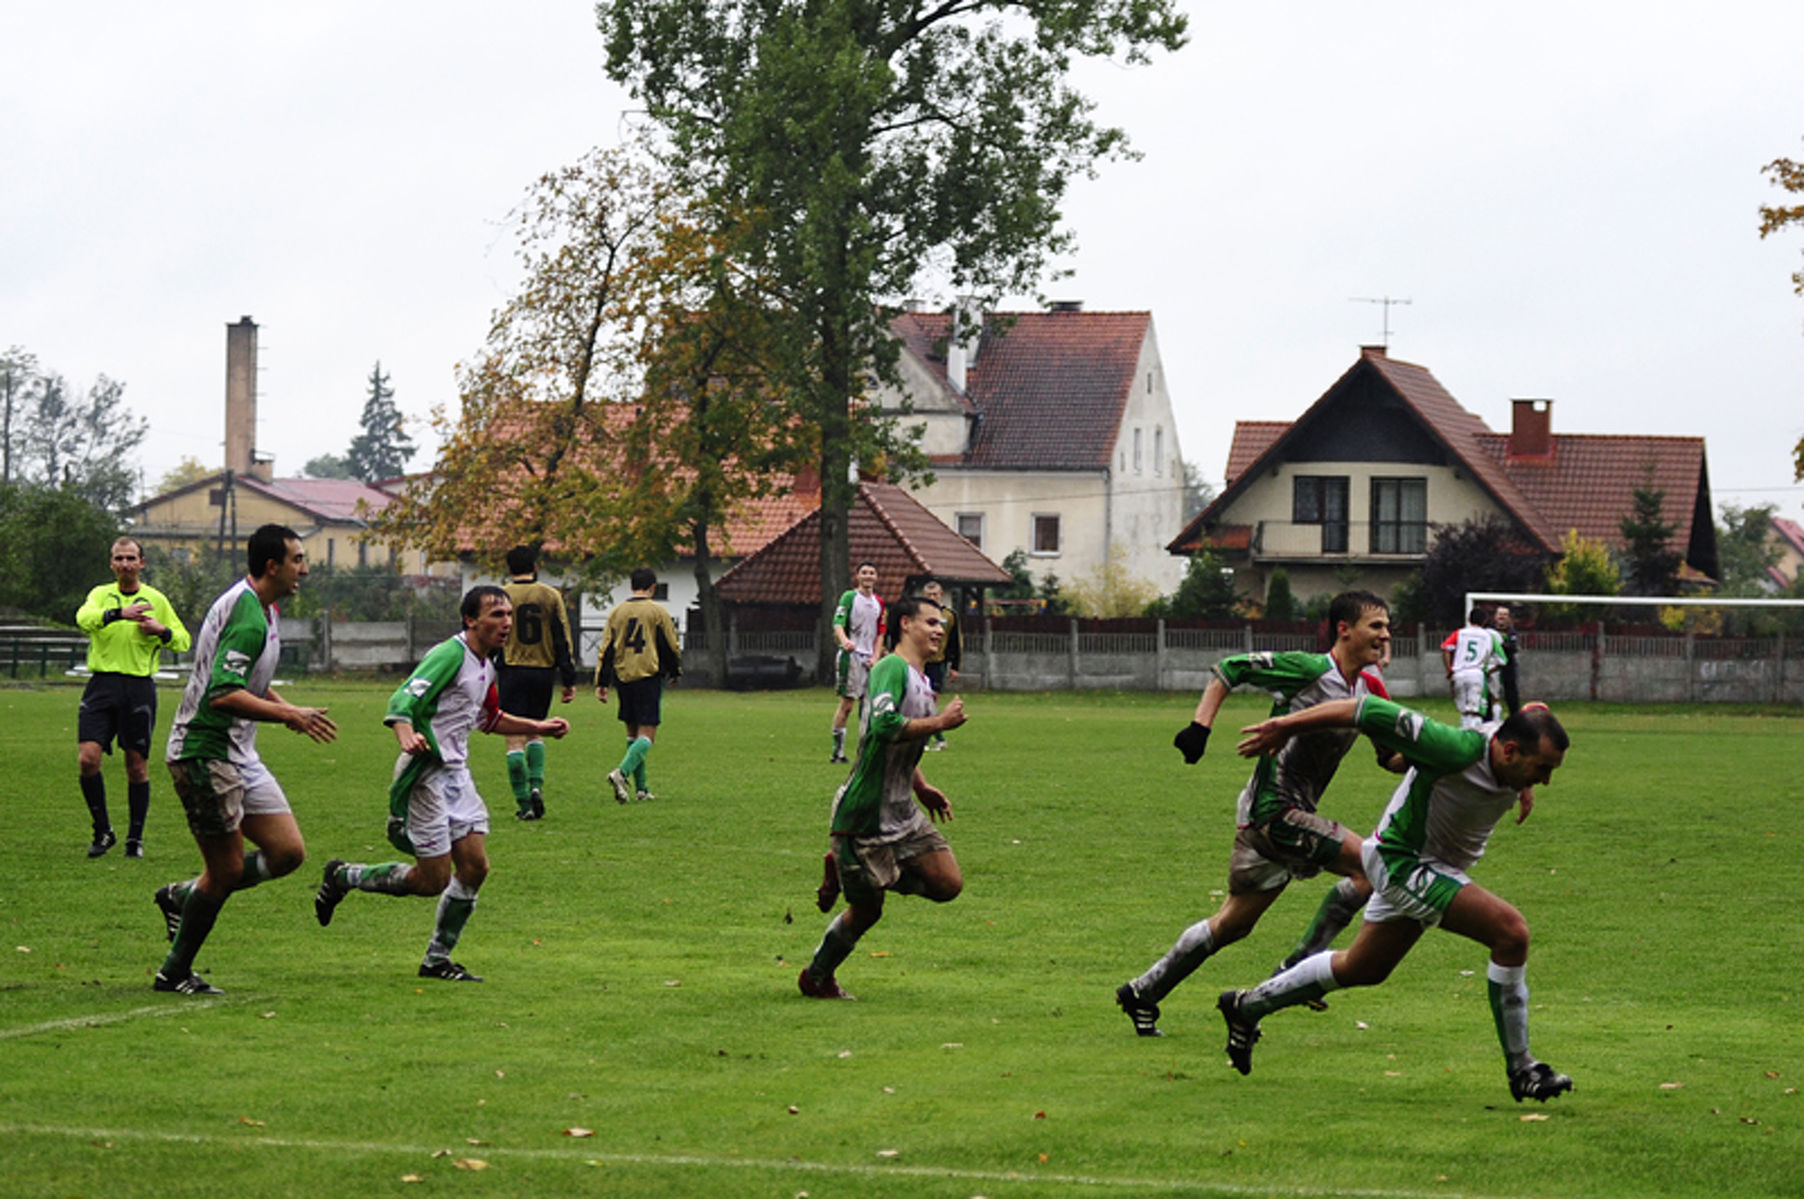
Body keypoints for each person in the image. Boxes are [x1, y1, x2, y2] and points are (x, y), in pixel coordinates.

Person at [1217, 698, 1574, 1104]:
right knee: (1510, 933)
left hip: (1428, 864)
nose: (1545, 781)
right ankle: (1522, 1068)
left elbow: (1533, 709)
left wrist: (1523, 783)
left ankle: (1246, 1007)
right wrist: (1285, 726)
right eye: (1541, 770)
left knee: (1363, 967)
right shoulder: (1452, 747)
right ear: (1509, 751)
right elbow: (1364, 710)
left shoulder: (1510, 750)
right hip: (1403, 862)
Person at [1115, 591, 1401, 1038]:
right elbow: (1231, 669)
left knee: (1232, 924)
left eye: (1387, 626)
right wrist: (1199, 728)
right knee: (1371, 866)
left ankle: (1143, 992)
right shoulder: (1309, 671)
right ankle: (1300, 970)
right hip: (1275, 812)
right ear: (1344, 629)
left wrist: (1442, 759)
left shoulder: (1371, 690)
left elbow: (1390, 758)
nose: (1385, 635)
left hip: (1275, 815)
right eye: (1376, 626)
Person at [313, 586, 570, 982]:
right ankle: (345, 876)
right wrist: (405, 734)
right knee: (430, 881)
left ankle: (437, 959)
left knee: (475, 868)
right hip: (424, 778)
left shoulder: (486, 665)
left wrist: (538, 727)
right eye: (496, 615)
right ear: (471, 620)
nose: (506, 623)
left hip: (456, 775)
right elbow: (403, 699)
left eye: (508, 615)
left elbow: (489, 718)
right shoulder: (450, 655)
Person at [149, 524, 338, 995]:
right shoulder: (250, 616)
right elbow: (223, 695)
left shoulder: (264, 609)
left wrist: (284, 711)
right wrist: (288, 712)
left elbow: (247, 681)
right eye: (297, 559)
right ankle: (174, 972)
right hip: (204, 752)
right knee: (228, 869)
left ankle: (183, 896)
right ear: (272, 565)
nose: (305, 568)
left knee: (288, 853)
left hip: (239, 752)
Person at [799, 594, 968, 1000]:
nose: (939, 630)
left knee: (948, 884)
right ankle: (816, 976)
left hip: (901, 809)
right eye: (931, 622)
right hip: (863, 814)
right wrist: (940, 722)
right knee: (868, 911)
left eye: (941, 625)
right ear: (906, 624)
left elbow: (898, 746)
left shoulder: (923, 681)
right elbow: (883, 725)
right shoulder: (890, 668)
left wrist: (921, 784)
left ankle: (857, 873)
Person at [74, 536, 191, 858]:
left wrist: (161, 631)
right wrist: (118, 614)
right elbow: (83, 619)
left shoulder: (156, 599)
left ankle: (134, 840)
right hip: (101, 686)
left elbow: (183, 640)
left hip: (138, 688)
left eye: (130, 558)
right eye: (119, 558)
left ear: (142, 563)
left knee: (136, 766)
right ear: (111, 563)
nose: (125, 563)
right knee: (87, 759)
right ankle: (103, 831)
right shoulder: (100, 595)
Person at [498, 545, 577, 820]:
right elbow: (562, 638)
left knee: (513, 738)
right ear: (535, 566)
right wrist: (568, 678)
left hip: (511, 670)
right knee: (536, 731)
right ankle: (535, 787)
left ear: (509, 569)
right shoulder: (550, 595)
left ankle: (523, 804)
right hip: (542, 671)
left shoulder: (500, 596)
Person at [596, 568, 682, 804]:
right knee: (648, 734)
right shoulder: (657, 611)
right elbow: (670, 644)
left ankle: (642, 789)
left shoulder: (617, 612)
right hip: (648, 675)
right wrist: (674, 670)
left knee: (632, 733)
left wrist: (602, 682)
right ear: (653, 587)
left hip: (624, 677)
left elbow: (607, 648)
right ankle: (621, 773)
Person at [828, 562, 884, 764]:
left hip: (869, 659)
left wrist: (876, 656)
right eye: (864, 572)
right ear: (858, 576)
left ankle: (865, 751)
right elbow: (838, 623)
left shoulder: (879, 602)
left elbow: (880, 633)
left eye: (872, 573)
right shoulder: (850, 597)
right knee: (848, 704)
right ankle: (838, 751)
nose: (868, 576)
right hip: (850, 656)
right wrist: (845, 641)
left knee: (869, 706)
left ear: (876, 577)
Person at [1442, 607, 1509, 729]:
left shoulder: (1460, 633)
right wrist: (1488, 671)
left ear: (1468, 619)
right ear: (1485, 621)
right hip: (1476, 674)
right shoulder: (1488, 636)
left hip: (1458, 673)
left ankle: (1462, 736)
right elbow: (1502, 660)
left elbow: (1445, 648)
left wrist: (1449, 669)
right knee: (1475, 711)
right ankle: (1475, 736)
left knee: (1464, 712)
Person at [920, 579, 960, 750]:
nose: (933, 598)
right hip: (920, 661)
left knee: (931, 700)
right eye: (929, 595)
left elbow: (955, 641)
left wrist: (955, 666)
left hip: (938, 662)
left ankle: (931, 738)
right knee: (922, 700)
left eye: (935, 594)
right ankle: (935, 737)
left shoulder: (949, 616)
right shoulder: (919, 614)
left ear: (941, 595)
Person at [1494, 604, 1523, 716]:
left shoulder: (1512, 632)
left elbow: (1513, 648)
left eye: (1505, 614)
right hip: (1492, 667)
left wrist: (1501, 645)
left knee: (1511, 693)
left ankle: (1515, 717)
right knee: (1491, 693)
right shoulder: (1490, 630)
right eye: (1500, 614)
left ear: (1509, 618)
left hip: (1508, 666)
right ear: (1495, 616)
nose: (1502, 616)